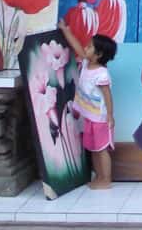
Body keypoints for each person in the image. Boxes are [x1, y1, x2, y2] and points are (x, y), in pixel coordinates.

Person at [58, 17, 117, 190]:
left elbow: (108, 96)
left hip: (100, 118)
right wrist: (65, 30)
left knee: (102, 149)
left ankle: (106, 179)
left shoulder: (101, 74)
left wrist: (110, 117)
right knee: (93, 148)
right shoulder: (85, 63)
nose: (85, 48)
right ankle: (98, 176)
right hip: (89, 116)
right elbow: (77, 46)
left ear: (98, 55)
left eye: (90, 47)